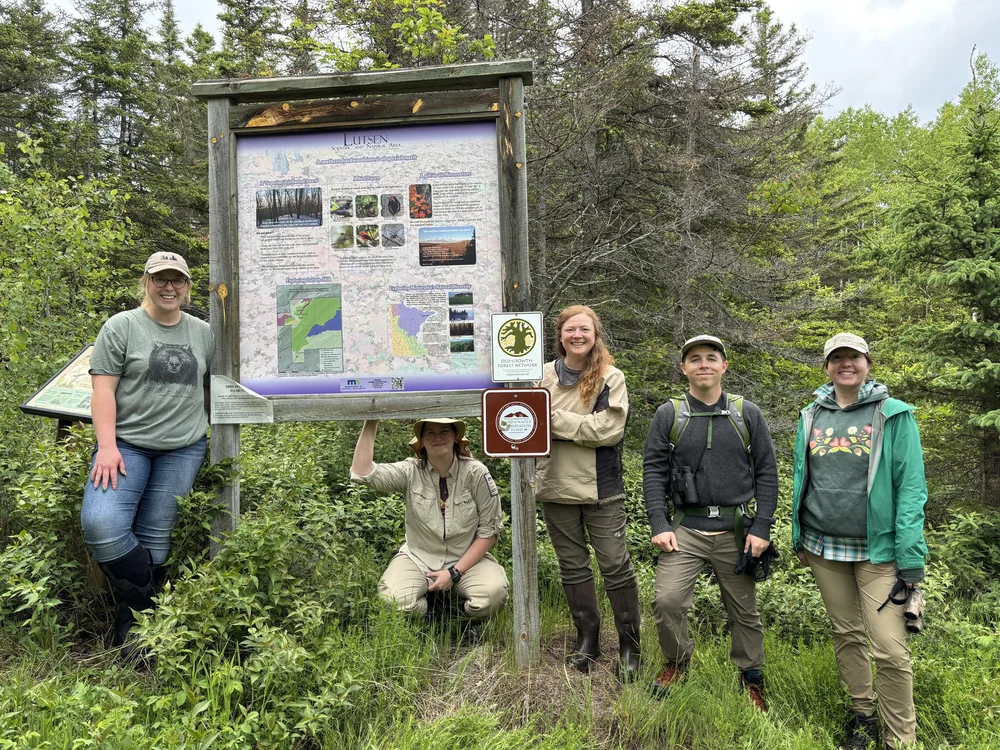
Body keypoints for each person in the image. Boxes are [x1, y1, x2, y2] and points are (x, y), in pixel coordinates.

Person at [792, 333, 928, 750]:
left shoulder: (893, 414)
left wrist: (910, 557)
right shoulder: (811, 414)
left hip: (879, 552)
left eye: (854, 357)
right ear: (827, 366)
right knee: (846, 633)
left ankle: (899, 737)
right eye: (837, 358)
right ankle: (862, 715)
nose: (845, 364)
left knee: (889, 649)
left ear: (867, 363)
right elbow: (802, 477)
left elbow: (911, 488)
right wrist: (797, 536)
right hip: (824, 547)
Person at [81, 252, 214, 654]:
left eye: (178, 280)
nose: (169, 287)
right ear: (146, 282)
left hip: (183, 448)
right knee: (101, 524)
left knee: (157, 538)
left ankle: (134, 633)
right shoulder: (122, 326)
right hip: (126, 446)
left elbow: (209, 388)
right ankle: (145, 601)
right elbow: (103, 389)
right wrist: (106, 446)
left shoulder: (204, 332)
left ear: (189, 286)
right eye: (161, 279)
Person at [643, 335, 778, 710]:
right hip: (686, 527)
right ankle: (677, 662)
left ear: (724, 366)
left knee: (744, 610)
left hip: (737, 529)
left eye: (711, 358)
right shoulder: (669, 414)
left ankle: (750, 677)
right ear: (683, 368)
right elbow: (653, 470)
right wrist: (659, 522)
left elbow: (767, 470)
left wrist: (762, 527)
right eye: (695, 359)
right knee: (667, 600)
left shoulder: (745, 412)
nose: (704, 364)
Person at [535, 305, 641, 682]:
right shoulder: (540, 374)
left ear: (596, 335)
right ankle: (588, 640)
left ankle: (630, 645)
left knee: (614, 565)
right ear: (559, 335)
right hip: (554, 485)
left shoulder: (610, 377)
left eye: (584, 329)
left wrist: (550, 419)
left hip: (602, 488)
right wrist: (561, 423)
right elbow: (524, 418)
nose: (576, 335)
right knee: (573, 567)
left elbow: (607, 430)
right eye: (569, 330)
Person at [350, 418, 508, 621]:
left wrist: (453, 573)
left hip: (466, 560)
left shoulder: (476, 473)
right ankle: (429, 614)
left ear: (455, 437)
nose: (438, 437)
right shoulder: (410, 471)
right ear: (421, 441)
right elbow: (363, 473)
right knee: (393, 600)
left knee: (492, 596)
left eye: (444, 431)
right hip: (418, 559)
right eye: (430, 433)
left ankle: (460, 618)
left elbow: (489, 532)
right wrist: (371, 421)